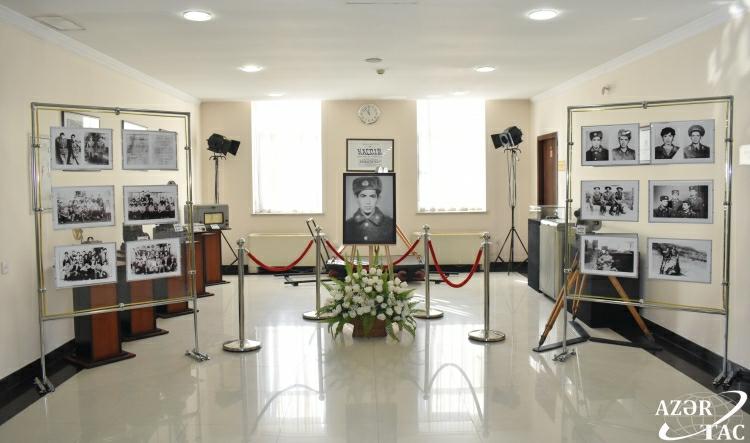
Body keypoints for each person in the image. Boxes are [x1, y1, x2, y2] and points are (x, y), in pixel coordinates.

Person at [343, 176, 394, 243]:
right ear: (356, 198)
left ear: (378, 199)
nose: (368, 202)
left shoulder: (390, 224)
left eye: (372, 196)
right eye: (363, 196)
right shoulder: (347, 225)